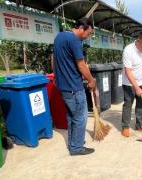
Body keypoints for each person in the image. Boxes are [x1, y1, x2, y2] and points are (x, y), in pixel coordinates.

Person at [53, 18, 96, 156]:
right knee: (80, 118)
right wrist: (91, 80)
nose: (87, 37)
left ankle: (73, 144)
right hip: (73, 87)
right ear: (82, 28)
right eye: (88, 33)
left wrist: (56, 76)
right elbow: (81, 65)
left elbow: (53, 58)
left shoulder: (60, 36)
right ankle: (77, 147)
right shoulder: (75, 41)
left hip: (63, 86)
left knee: (72, 117)